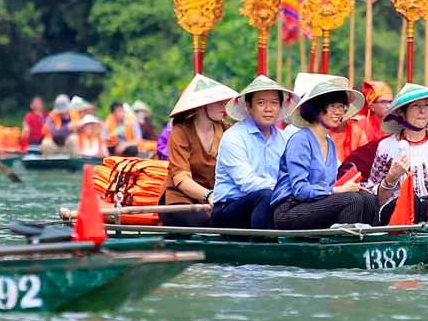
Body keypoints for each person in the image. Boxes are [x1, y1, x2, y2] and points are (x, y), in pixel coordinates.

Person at [271, 74, 384, 229]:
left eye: (341, 107)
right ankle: (340, 248)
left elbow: (328, 185)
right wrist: (338, 190)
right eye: (333, 107)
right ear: (317, 108)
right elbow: (300, 190)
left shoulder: (329, 142)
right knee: (352, 199)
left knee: (368, 198)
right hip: (290, 208)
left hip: (317, 205)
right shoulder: (301, 140)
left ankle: (366, 246)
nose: (339, 112)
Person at [367, 83, 428, 224]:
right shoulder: (386, 147)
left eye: (426, 106)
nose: (422, 111)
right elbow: (374, 196)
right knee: (412, 202)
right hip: (396, 213)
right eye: (416, 106)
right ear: (402, 112)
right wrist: (391, 179)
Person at [209, 74, 293, 230]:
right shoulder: (233, 137)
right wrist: (286, 191)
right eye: (261, 103)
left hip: (273, 203)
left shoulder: (285, 139)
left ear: (281, 106)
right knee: (266, 195)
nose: (268, 109)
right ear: (248, 106)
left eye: (274, 103)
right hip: (230, 208)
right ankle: (261, 248)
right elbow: (248, 183)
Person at [160, 73, 238, 227]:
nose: (224, 106)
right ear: (203, 105)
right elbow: (181, 178)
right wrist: (208, 195)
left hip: (217, 200)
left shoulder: (229, 131)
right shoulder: (180, 132)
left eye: (225, 102)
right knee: (206, 222)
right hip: (181, 202)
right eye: (218, 102)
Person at [346, 80, 392, 151]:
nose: (388, 106)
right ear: (372, 106)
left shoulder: (397, 125)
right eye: (383, 102)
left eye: (390, 102)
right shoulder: (360, 127)